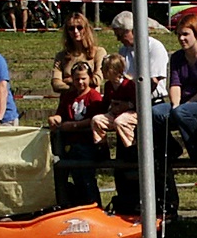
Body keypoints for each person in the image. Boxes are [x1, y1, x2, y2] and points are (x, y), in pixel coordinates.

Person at [148, 12, 197, 218]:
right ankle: (168, 150)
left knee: (182, 113)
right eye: (179, 34)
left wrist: (183, 107)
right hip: (183, 106)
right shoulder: (178, 58)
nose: (181, 38)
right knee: (155, 113)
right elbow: (175, 85)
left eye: (186, 34)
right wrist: (175, 105)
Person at [47, 60, 106, 207]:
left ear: (90, 78)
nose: (80, 82)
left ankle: (95, 206)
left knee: (86, 179)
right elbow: (62, 114)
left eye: (83, 78)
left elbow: (95, 119)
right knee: (70, 177)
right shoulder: (68, 96)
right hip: (71, 144)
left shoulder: (94, 96)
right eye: (77, 79)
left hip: (88, 145)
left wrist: (74, 125)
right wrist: (56, 119)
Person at [110, 10, 169, 104]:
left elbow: (153, 82)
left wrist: (132, 104)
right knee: (98, 119)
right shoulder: (123, 50)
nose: (118, 39)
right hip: (127, 100)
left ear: (134, 31)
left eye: (121, 35)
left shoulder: (154, 47)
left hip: (151, 101)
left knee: (119, 120)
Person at [90, 53, 138, 152]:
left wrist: (126, 105)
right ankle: (101, 147)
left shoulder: (128, 84)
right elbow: (105, 103)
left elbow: (137, 103)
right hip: (115, 114)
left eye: (105, 69)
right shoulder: (108, 85)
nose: (102, 71)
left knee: (120, 122)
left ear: (114, 71)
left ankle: (131, 147)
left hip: (131, 114)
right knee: (97, 120)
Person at [51, 13, 106, 93]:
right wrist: (77, 85)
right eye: (71, 28)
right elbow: (56, 84)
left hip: (90, 101)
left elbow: (97, 80)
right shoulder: (61, 56)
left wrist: (69, 80)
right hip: (68, 102)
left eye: (79, 28)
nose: (75, 31)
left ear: (86, 29)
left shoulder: (99, 52)